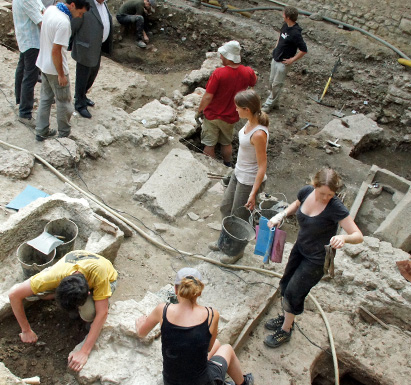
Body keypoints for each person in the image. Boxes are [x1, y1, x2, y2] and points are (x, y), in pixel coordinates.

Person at [264, 168, 363, 348]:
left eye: (330, 194)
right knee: (285, 284)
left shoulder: (335, 207)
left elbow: (358, 235)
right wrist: (282, 214)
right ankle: (287, 317)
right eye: (322, 193)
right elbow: (296, 203)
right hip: (300, 248)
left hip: (317, 259)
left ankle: (286, 330)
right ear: (314, 185)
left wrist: (344, 237)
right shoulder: (306, 191)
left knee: (295, 292)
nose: (325, 197)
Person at [135, 267, 254, 385]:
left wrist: (140, 324)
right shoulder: (211, 315)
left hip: (171, 381)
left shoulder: (162, 310)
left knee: (216, 345)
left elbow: (141, 333)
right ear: (199, 291)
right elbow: (207, 348)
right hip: (202, 382)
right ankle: (244, 383)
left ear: (176, 289)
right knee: (226, 348)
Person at [8, 250, 118, 371]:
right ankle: (66, 301)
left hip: (108, 277)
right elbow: (14, 295)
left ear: (88, 293)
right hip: (74, 264)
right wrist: (26, 330)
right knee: (37, 293)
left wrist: (84, 352)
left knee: (89, 313)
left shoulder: (99, 274)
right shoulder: (51, 277)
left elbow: (103, 313)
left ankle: (89, 308)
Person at [211, 89, 269, 264]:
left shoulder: (258, 134)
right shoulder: (251, 121)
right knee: (225, 207)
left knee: (239, 217)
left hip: (249, 180)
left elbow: (262, 166)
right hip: (238, 173)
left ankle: (236, 252)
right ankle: (224, 241)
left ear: (247, 109)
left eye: (238, 108)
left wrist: (253, 193)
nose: (236, 110)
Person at [35, 0, 90, 142]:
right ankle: (64, 134)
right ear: (72, 5)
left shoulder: (51, 9)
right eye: (80, 12)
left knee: (45, 99)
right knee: (64, 102)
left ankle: (41, 131)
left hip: (43, 64)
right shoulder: (64, 23)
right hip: (55, 69)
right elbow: (56, 51)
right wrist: (61, 74)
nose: (79, 17)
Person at [197, 41, 257, 167]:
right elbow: (252, 84)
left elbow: (208, 96)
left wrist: (199, 110)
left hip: (212, 116)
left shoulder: (219, 73)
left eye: (223, 55)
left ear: (229, 57)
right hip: (231, 116)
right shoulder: (248, 72)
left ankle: (210, 167)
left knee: (209, 144)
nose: (221, 57)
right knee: (226, 143)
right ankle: (227, 165)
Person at [70, 0, 113, 119]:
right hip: (85, 46)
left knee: (93, 72)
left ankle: (83, 95)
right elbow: (74, 24)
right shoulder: (85, 3)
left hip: (97, 46)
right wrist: (69, 43)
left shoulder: (103, 3)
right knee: (82, 75)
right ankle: (79, 104)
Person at [262, 6, 307, 113]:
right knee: (271, 81)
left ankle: (268, 105)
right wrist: (276, 47)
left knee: (277, 84)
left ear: (287, 17)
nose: (282, 15)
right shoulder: (285, 25)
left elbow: (304, 50)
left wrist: (292, 60)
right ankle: (274, 102)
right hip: (276, 57)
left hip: (283, 62)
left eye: (284, 14)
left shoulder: (296, 33)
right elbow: (280, 36)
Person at [12, 0, 45, 128]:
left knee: (22, 70)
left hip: (26, 39)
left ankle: (20, 101)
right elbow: (42, 21)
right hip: (32, 41)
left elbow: (41, 8)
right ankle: (25, 113)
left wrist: (43, 11)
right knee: (30, 77)